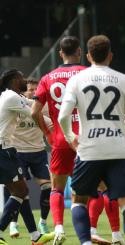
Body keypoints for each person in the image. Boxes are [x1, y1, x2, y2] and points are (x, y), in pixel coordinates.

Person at [58, 35, 125, 245]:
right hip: (119, 148)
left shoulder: (77, 79)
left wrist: (70, 137)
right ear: (110, 56)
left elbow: (63, 116)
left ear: (87, 56)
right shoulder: (123, 79)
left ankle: (85, 242)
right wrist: (120, 130)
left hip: (89, 148)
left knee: (78, 200)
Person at [31, 36, 86, 245]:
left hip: (61, 139)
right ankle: (91, 230)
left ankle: (59, 230)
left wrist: (48, 133)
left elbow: (34, 112)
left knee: (56, 188)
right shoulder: (86, 73)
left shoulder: (48, 78)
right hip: (86, 139)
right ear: (79, 52)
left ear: (60, 53)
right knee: (96, 188)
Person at [0, 69, 54, 245]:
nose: (24, 81)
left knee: (21, 191)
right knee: (20, 191)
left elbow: (34, 104)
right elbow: (34, 112)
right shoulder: (11, 97)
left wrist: (52, 105)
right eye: (22, 78)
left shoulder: (11, 96)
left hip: (7, 150)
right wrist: (53, 130)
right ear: (15, 80)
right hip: (4, 150)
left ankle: (35, 236)